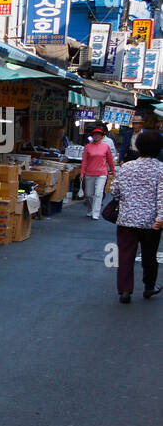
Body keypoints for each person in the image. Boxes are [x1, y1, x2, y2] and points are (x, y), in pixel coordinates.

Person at [107, 129, 163, 303]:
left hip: (126, 219)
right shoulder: (161, 169)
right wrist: (160, 218)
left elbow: (114, 190)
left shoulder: (127, 167)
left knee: (125, 254)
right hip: (151, 221)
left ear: (138, 147)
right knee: (149, 255)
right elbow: (162, 196)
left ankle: (125, 290)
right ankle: (148, 287)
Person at [80, 124, 116, 219]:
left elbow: (110, 160)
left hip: (102, 173)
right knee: (88, 194)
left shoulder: (106, 146)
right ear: (92, 135)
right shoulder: (88, 147)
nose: (96, 136)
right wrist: (82, 172)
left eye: (98, 134)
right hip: (89, 172)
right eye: (95, 134)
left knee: (99, 193)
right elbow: (84, 161)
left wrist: (113, 171)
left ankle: (96, 213)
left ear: (102, 136)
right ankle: (90, 209)